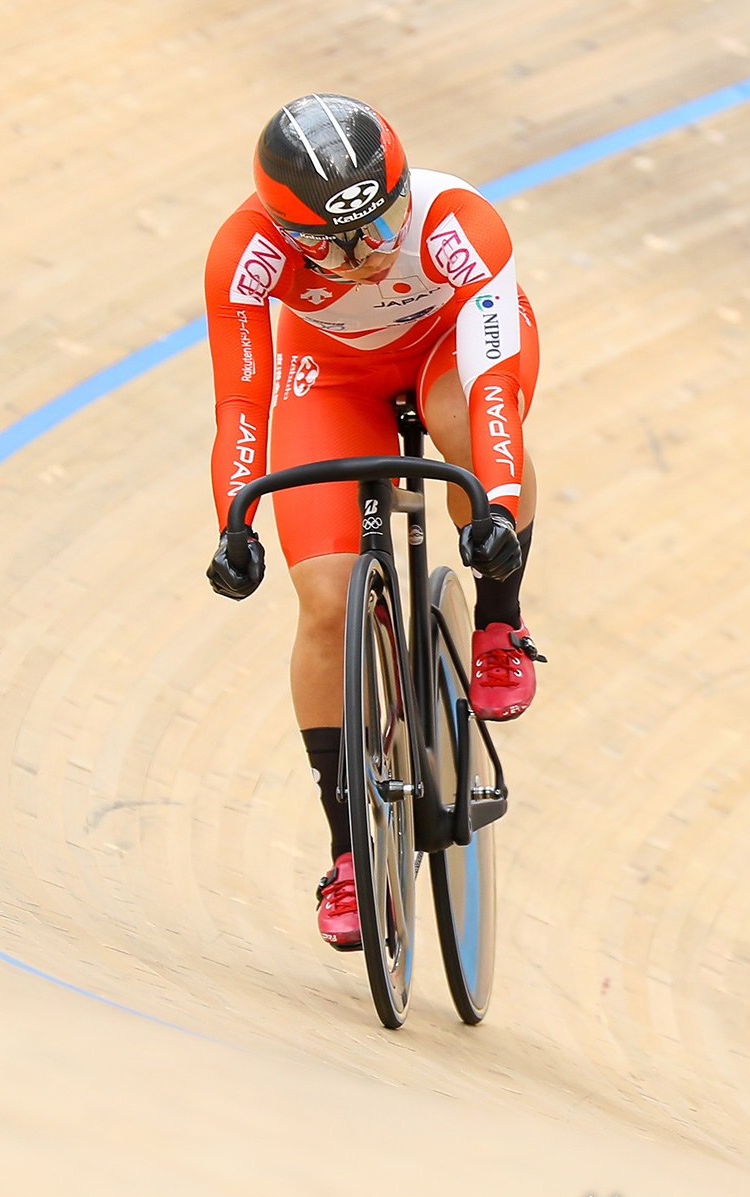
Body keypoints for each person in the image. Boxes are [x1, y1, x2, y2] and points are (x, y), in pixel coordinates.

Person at [200, 93, 545, 951]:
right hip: (332, 378)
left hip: (449, 353)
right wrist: (233, 520)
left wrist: (495, 508)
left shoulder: (456, 221)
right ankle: (352, 853)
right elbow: (242, 403)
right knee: (324, 599)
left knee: (463, 429)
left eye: (380, 222)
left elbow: (495, 389)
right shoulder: (243, 254)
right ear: (283, 231)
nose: (365, 255)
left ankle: (499, 626)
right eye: (329, 243)